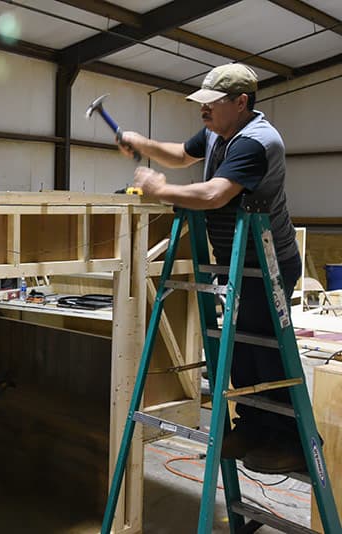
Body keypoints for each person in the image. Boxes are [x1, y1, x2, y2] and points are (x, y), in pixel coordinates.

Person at [117, 63, 304, 474]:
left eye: (211, 104)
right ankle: (252, 427)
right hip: (237, 260)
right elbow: (183, 155)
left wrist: (162, 189)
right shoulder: (220, 132)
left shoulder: (255, 142)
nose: (203, 111)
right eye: (201, 104)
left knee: (266, 352)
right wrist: (141, 142)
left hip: (266, 262)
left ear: (241, 102)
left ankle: (290, 442)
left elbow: (215, 194)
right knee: (237, 350)